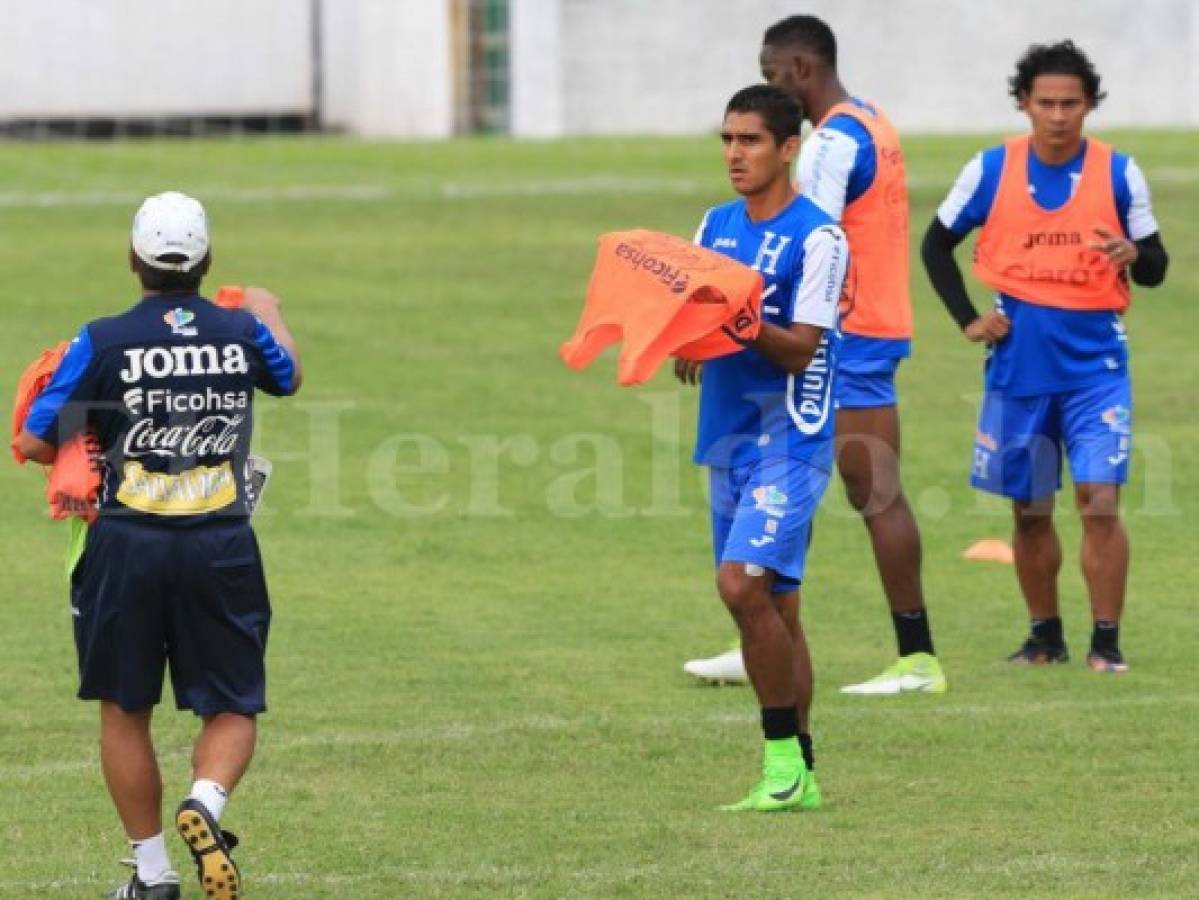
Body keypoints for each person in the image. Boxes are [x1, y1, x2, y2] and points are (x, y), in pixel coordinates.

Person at [14, 192, 303, 899]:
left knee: (125, 706)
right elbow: (287, 376)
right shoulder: (239, 331)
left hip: (127, 548)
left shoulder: (103, 339)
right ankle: (205, 801)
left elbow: (32, 440)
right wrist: (268, 311)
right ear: (206, 261)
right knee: (231, 703)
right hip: (221, 546)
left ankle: (151, 875)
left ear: (133, 260)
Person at [685, 14, 946, 695]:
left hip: (840, 337)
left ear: (799, 70)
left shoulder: (827, 145)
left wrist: (731, 321)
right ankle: (762, 635)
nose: (771, 86)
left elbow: (804, 236)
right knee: (852, 487)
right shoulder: (874, 122)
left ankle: (915, 659)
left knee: (868, 485)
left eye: (773, 76)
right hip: (875, 321)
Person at [920, 41, 1168, 672]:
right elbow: (935, 245)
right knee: (1031, 511)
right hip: (1018, 370)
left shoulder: (1119, 173)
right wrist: (969, 319)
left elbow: (1157, 268)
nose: (1058, 115)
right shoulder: (989, 169)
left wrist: (1135, 257)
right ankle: (1044, 637)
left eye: (1071, 104)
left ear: (1089, 106)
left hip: (1095, 372)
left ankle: (1106, 644)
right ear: (1024, 103)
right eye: (1046, 103)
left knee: (1099, 501)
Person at [678, 84, 847, 810]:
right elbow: (689, 313)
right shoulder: (713, 224)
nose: (733, 154)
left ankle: (779, 765)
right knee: (776, 607)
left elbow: (801, 351)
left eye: (748, 140)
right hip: (726, 436)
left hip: (790, 441)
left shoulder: (819, 238)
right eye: (726, 139)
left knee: (740, 585)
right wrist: (686, 336)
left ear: (787, 148)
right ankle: (801, 770)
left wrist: (734, 318)